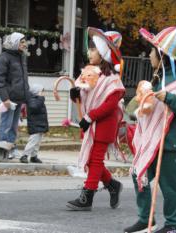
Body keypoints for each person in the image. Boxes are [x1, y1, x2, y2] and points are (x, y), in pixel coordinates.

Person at [124, 27, 176, 233]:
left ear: (161, 54)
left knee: (168, 185)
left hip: (172, 142)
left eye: (152, 50)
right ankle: (146, 218)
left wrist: (170, 98)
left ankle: (173, 225)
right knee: (139, 172)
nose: (149, 55)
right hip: (155, 141)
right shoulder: (160, 78)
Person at [66, 27, 125, 211]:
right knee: (91, 161)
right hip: (90, 123)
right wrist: (74, 94)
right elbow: (82, 98)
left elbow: (110, 104)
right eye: (90, 49)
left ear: (103, 53)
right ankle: (112, 185)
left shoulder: (112, 78)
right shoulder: (88, 73)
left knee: (96, 160)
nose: (89, 52)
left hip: (104, 124)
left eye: (93, 49)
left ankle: (87, 197)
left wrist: (90, 117)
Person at [0, 32, 29, 156]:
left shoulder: (22, 56)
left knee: (14, 126)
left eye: (24, 42)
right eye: (22, 42)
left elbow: (23, 79)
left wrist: (26, 97)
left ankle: (11, 148)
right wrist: (5, 98)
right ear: (15, 42)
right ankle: (2, 149)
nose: (25, 44)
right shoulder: (4, 57)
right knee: (6, 124)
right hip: (9, 98)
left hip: (19, 98)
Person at [19, 84, 48, 163]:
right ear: (36, 92)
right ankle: (24, 155)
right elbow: (34, 107)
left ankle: (34, 156)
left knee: (37, 142)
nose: (43, 94)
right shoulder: (33, 99)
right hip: (35, 124)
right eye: (41, 92)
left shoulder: (37, 99)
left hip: (40, 124)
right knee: (33, 141)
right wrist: (41, 99)